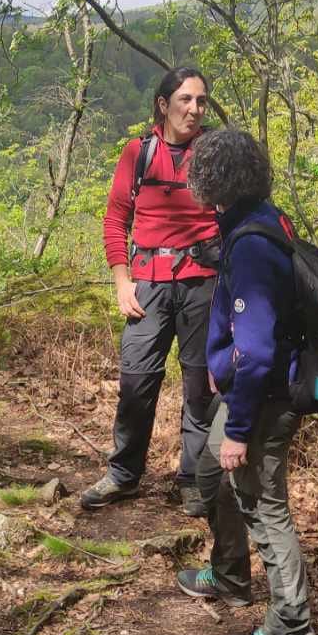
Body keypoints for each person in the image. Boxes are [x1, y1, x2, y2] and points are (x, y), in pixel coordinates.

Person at [174, 128, 317, 635]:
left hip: (263, 396)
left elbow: (256, 352)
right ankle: (231, 576)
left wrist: (237, 430)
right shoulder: (257, 220)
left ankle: (292, 628)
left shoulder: (253, 242)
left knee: (264, 504)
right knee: (213, 471)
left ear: (215, 180)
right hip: (251, 388)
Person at [82, 66, 222, 514]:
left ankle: (194, 479)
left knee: (200, 387)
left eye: (201, 101)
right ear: (163, 105)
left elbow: (236, 217)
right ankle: (124, 474)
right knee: (136, 382)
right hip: (149, 286)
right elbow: (114, 219)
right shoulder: (137, 153)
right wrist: (122, 281)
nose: (194, 109)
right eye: (185, 99)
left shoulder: (214, 153)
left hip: (204, 284)